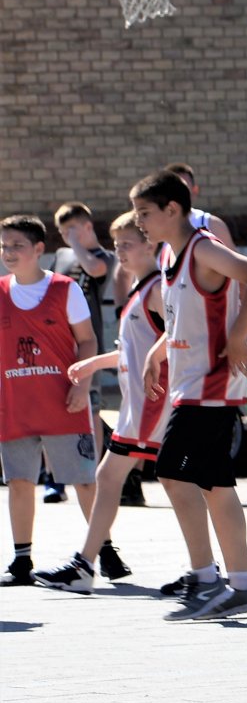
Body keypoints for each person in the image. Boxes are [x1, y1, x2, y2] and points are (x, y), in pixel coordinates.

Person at [130, 169, 247, 620]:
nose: (139, 222)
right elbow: (183, 316)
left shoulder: (203, 247)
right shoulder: (172, 255)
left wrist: (238, 336)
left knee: (172, 472)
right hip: (190, 384)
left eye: (145, 213)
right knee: (215, 485)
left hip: (210, 386)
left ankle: (206, 578)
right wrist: (158, 349)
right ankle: (243, 586)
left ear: (172, 210)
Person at [33, 213, 172, 592]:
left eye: (127, 244)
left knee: (177, 484)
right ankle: (87, 563)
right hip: (140, 408)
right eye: (116, 245)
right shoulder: (140, 291)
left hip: (155, 407)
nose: (119, 252)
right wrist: (96, 362)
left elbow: (183, 337)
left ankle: (207, 570)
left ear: (151, 244)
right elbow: (133, 350)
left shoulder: (159, 289)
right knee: (122, 479)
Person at [0, 215, 99, 586]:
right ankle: (22, 561)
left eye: (17, 246)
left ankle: (100, 549)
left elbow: (87, 341)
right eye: (4, 245)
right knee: (20, 481)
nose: (8, 252)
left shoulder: (64, 289)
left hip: (63, 400)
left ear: (39, 249)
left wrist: (81, 382)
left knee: (83, 481)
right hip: (15, 403)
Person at [50, 202, 115, 505]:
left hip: (89, 344)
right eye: (62, 232)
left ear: (87, 227)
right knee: (53, 407)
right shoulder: (61, 256)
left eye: (71, 229)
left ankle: (94, 473)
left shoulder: (104, 257)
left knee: (92, 408)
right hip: (57, 344)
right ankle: (55, 478)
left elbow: (95, 270)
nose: (66, 237)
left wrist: (76, 242)